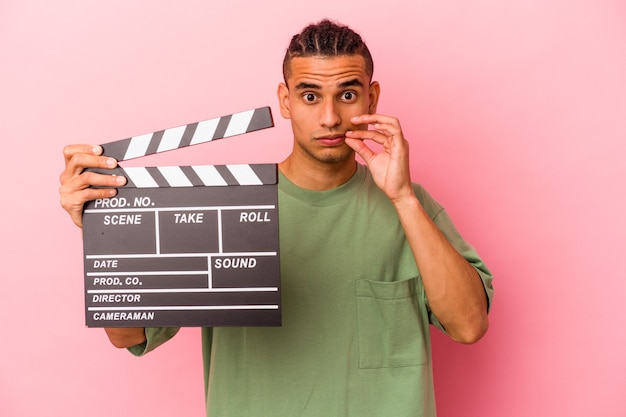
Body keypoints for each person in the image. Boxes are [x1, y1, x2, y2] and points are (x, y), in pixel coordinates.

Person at [60, 19, 493, 417]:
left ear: (371, 97)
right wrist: (104, 231)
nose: (329, 117)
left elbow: (469, 325)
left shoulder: (410, 205)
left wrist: (402, 199)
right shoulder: (222, 210)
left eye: (347, 94)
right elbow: (128, 335)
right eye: (309, 96)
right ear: (285, 101)